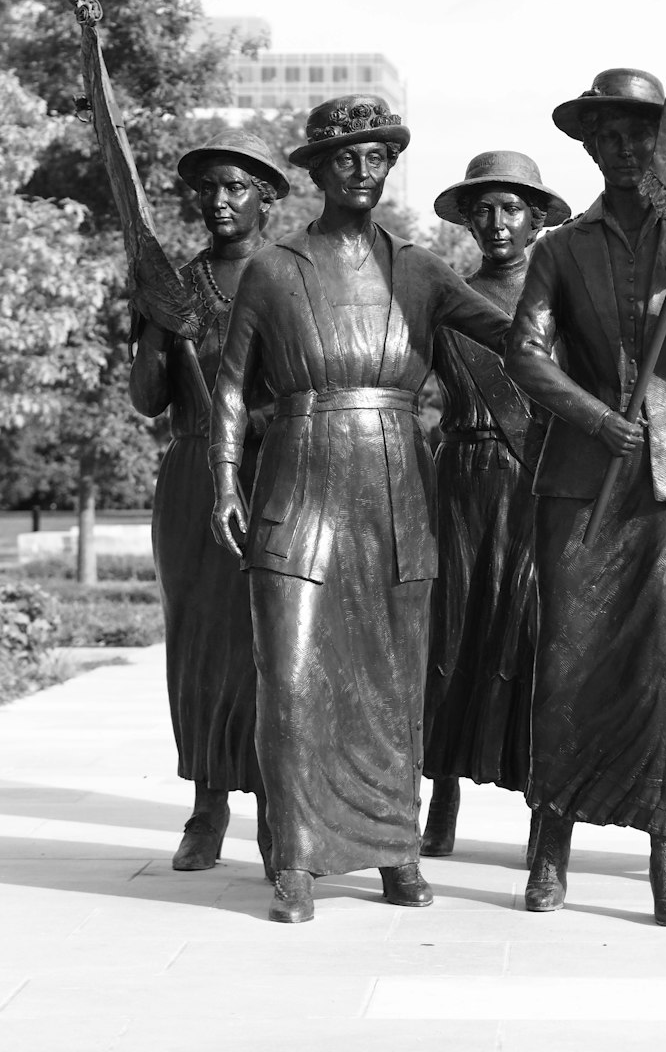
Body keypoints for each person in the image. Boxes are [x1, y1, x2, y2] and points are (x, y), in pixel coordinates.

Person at [209, 96, 511, 924]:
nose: (364, 168)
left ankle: (394, 849)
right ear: (316, 169)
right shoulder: (275, 270)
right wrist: (222, 480)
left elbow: (514, 333)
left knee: (392, 676)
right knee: (293, 671)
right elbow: (233, 386)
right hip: (299, 481)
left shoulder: (419, 269)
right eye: (347, 154)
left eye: (378, 154)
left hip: (395, 484)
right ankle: (297, 857)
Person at [505, 68, 666, 926]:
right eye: (608, 135)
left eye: (639, 134)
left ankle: (664, 847)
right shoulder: (559, 249)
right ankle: (550, 848)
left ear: (663, 143)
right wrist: (590, 418)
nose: (623, 149)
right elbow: (527, 356)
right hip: (586, 481)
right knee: (568, 662)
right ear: (588, 145)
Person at [129, 131, 289, 878]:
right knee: (196, 645)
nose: (219, 202)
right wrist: (158, 326)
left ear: (267, 196)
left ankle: (274, 801)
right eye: (208, 189)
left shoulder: (291, 274)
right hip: (193, 471)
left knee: (271, 643)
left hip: (274, 469)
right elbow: (145, 400)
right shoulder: (177, 282)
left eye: (236, 187)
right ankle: (206, 806)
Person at [420, 152, 569, 860]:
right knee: (451, 637)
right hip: (461, 482)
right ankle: (440, 794)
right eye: (482, 209)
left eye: (510, 208)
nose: (495, 222)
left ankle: (546, 811)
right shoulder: (445, 300)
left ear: (537, 220)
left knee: (536, 641)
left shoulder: (561, 304)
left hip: (538, 484)